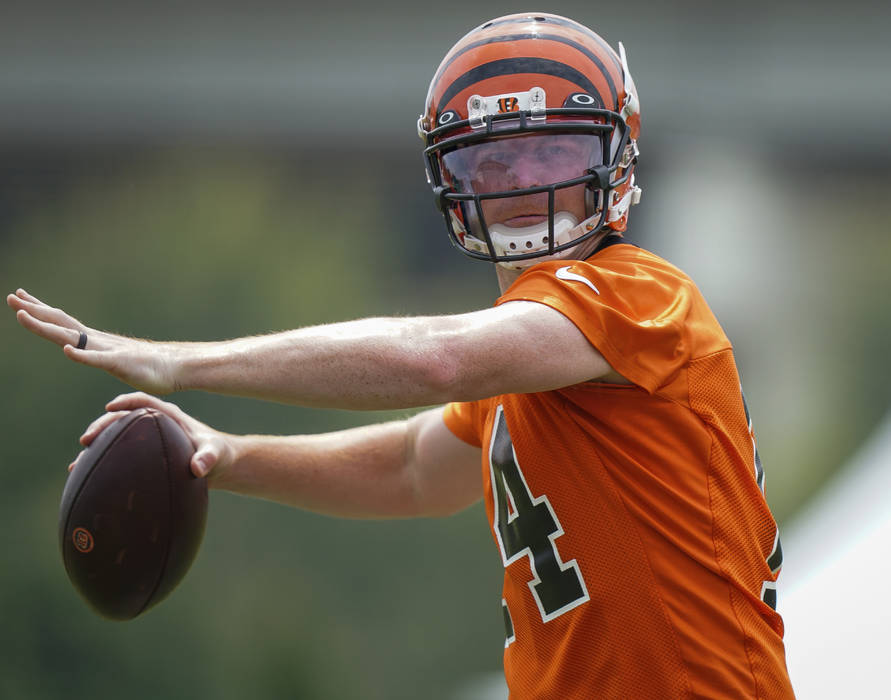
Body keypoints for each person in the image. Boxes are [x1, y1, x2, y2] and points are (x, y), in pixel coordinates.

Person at [7, 12, 794, 699]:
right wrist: (229, 455)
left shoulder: (640, 296)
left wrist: (179, 361)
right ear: (450, 178)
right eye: (490, 161)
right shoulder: (533, 353)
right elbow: (417, 468)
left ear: (616, 161)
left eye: (551, 155)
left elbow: (437, 362)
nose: (521, 183)